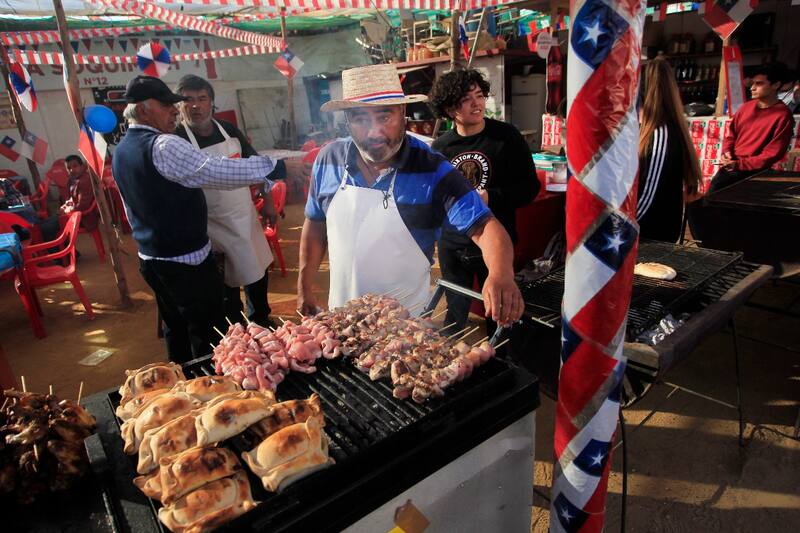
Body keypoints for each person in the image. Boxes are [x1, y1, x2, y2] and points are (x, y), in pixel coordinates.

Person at [297, 64, 523, 326]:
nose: (374, 133)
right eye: (360, 119)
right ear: (346, 120)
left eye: (384, 118)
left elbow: (485, 228)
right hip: (342, 319)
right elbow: (315, 223)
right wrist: (304, 284)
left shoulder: (433, 169)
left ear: (403, 113)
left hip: (405, 331)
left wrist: (500, 273)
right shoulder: (328, 160)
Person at [112, 75, 298, 363]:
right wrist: (278, 167)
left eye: (197, 99)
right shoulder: (163, 145)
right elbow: (216, 172)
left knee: (176, 327)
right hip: (185, 262)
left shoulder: (122, 149)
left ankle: (182, 377)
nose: (176, 110)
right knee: (207, 332)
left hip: (153, 258)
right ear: (145, 109)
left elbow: (130, 207)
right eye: (168, 105)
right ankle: (208, 388)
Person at [428, 69, 538, 334]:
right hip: (452, 247)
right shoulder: (440, 148)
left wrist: (492, 197)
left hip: (496, 244)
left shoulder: (506, 138)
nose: (477, 104)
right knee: (455, 316)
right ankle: (453, 368)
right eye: (466, 99)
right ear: (449, 108)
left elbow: (530, 188)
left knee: (499, 315)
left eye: (479, 96)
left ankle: (501, 365)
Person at [174, 74, 279, 328]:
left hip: (244, 215)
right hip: (210, 224)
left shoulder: (228, 130)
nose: (196, 106)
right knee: (225, 280)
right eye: (188, 100)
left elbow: (256, 166)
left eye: (202, 98)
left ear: (212, 102)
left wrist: (268, 201)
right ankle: (236, 327)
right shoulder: (177, 139)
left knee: (257, 269)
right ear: (179, 105)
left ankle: (260, 319)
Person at [636, 57, 702, 243]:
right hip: (645, 232)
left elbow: (649, 195)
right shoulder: (648, 129)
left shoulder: (659, 133)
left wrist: (619, 227)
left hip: (651, 237)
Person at [707, 63, 795, 194]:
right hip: (731, 167)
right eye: (753, 83)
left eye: (759, 84)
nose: (752, 88)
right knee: (708, 203)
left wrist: (739, 164)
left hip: (755, 174)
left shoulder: (783, 115)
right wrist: (727, 153)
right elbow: (731, 135)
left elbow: (772, 154)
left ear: (776, 85)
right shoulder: (745, 108)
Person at [59, 155, 99, 232]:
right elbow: (70, 199)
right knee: (48, 224)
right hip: (75, 213)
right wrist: (65, 206)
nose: (72, 170)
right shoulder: (73, 180)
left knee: (48, 228)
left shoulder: (84, 181)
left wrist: (67, 211)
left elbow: (83, 206)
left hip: (84, 218)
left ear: (81, 166)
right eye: (69, 168)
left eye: (75, 166)